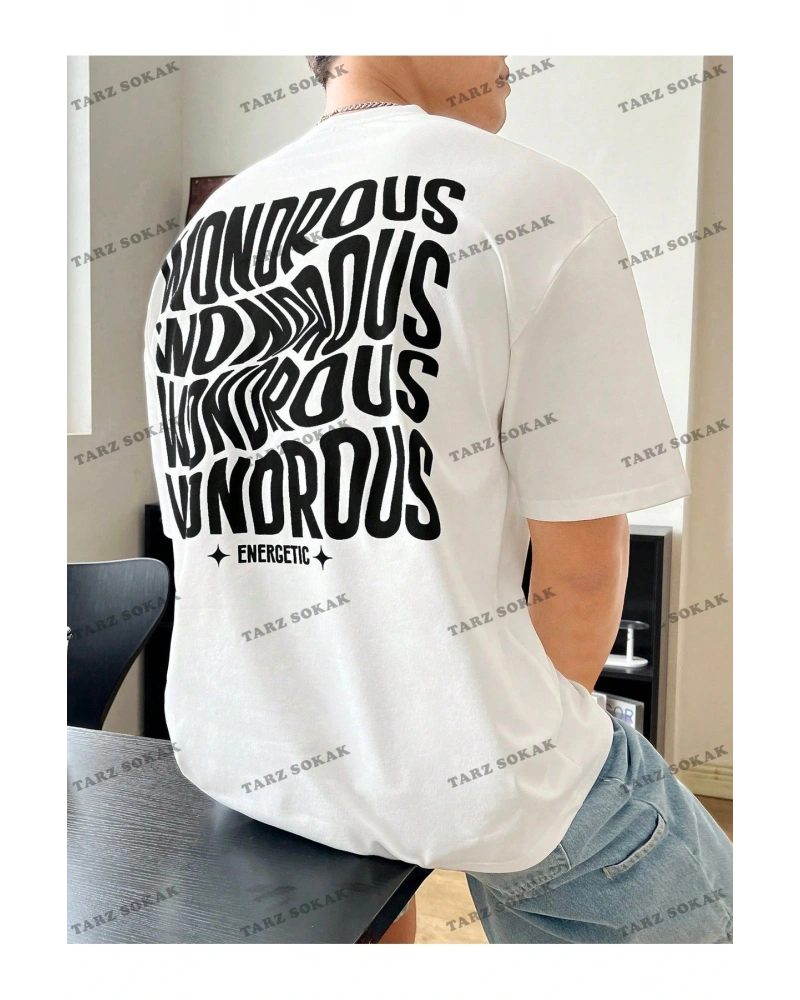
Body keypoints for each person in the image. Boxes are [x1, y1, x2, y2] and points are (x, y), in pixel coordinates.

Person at [143, 55, 734, 944]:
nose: (508, 50)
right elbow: (580, 574)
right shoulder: (536, 202)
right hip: (482, 776)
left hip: (250, 765)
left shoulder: (201, 238)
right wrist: (499, 775)